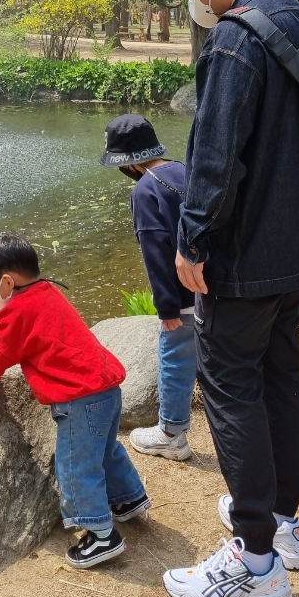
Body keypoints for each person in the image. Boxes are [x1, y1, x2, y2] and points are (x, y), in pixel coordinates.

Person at [159, 0, 299, 597]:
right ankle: (283, 524)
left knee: (232, 387)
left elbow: (214, 154)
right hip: (296, 243)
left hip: (243, 250)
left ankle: (256, 560)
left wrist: (191, 240)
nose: (192, 2)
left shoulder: (235, 39)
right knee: (279, 376)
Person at [0, 234, 151, 569]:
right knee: (106, 452)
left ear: (6, 282)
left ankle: (101, 536)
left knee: (76, 465)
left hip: (80, 398)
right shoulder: (47, 292)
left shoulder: (19, 310)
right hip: (106, 388)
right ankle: (129, 499)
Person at [99, 113, 196, 461]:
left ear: (129, 163)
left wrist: (167, 307)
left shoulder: (146, 189)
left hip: (183, 295)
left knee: (175, 360)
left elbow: (156, 252)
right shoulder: (188, 169)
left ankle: (171, 433)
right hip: (215, 285)